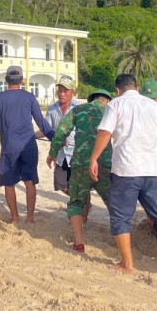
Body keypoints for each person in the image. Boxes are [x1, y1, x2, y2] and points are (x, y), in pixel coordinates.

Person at [90, 74, 157, 275]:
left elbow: (105, 133)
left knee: (121, 217)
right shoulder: (156, 106)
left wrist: (94, 158)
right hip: (152, 170)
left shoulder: (115, 105)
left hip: (126, 170)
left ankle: (127, 264)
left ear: (118, 90)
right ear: (137, 88)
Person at [47, 89, 113, 253]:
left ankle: (79, 241)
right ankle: (120, 238)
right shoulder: (111, 111)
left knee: (76, 201)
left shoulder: (78, 110)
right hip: (104, 164)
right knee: (113, 202)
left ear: (91, 99)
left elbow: (61, 132)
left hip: (81, 163)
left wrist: (53, 153)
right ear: (107, 100)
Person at [0, 65, 54, 224]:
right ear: (22, 80)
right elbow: (41, 122)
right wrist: (55, 139)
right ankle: (30, 218)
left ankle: (15, 217)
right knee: (29, 181)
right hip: (29, 146)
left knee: (8, 183)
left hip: (9, 147)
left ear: (6, 80)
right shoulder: (29, 97)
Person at [45, 76, 82, 196]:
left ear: (73, 93)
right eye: (60, 91)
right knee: (60, 184)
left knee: (80, 184)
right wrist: (31, 135)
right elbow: (46, 129)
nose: (61, 94)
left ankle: (83, 203)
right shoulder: (52, 109)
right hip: (60, 154)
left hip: (77, 153)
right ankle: (79, 200)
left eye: (65, 91)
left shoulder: (80, 108)